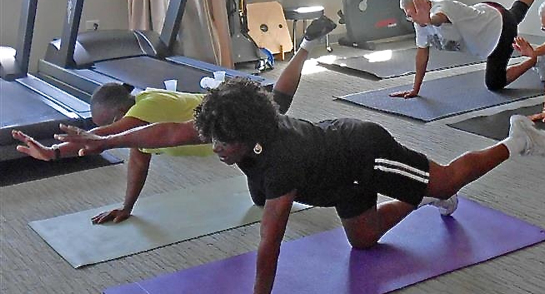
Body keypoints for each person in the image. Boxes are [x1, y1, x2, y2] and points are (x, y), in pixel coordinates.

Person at [52, 77, 545, 294]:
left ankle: (516, 141)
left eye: (221, 146)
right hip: (336, 175)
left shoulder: (279, 165)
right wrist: (99, 141)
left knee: (443, 175)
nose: (214, 150)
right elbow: (164, 130)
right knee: (363, 242)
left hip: (364, 153)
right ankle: (429, 197)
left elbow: (270, 241)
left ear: (249, 142)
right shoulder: (234, 129)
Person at [12, 15, 337, 223]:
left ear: (119, 114)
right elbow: (138, 163)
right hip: (226, 138)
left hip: (236, 117)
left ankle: (307, 47)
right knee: (260, 187)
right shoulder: (141, 131)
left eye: (107, 122)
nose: (106, 129)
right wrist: (127, 207)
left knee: (277, 115)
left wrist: (55, 152)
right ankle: (307, 47)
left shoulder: (145, 110)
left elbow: (101, 139)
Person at [391, 0, 545, 98]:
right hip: (487, 14)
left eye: (409, 14)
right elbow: (422, 55)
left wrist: (428, 20)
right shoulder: (419, 22)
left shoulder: (442, 8)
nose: (409, 19)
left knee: (495, 83)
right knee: (515, 13)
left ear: (419, 6)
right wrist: (415, 89)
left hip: (498, 30)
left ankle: (536, 58)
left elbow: (440, 18)